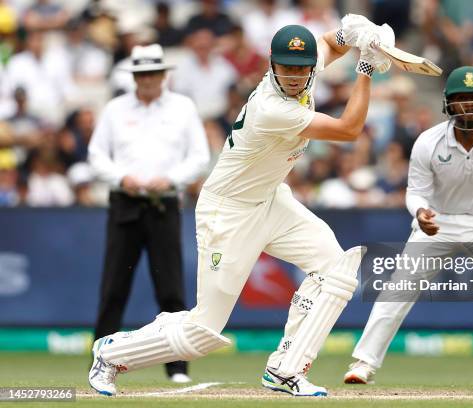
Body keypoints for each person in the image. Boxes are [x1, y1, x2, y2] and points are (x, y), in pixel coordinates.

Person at [88, 15, 395, 397]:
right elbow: (349, 129)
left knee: (337, 270)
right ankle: (112, 352)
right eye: (287, 68)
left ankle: (286, 369)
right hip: (228, 212)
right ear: (271, 64)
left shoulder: (302, 68)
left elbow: (330, 43)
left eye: (303, 69)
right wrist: (366, 66)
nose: (296, 77)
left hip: (270, 199)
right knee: (203, 332)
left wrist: (355, 34)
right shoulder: (272, 108)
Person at [343, 66, 473, 386]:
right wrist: (420, 212)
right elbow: (415, 191)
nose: (470, 106)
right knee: (398, 289)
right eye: (462, 99)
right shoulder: (428, 142)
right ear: (449, 103)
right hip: (438, 221)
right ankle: (363, 363)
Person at [87, 44, 210, 384]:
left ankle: (177, 367)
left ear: (164, 75)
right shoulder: (115, 109)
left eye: (153, 73)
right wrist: (121, 177)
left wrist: (170, 179)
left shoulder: (182, 107)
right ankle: (99, 362)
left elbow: (199, 156)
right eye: (142, 74)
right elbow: (97, 155)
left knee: (170, 289)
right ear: (134, 77)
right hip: (125, 203)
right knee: (113, 289)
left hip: (163, 204)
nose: (148, 80)